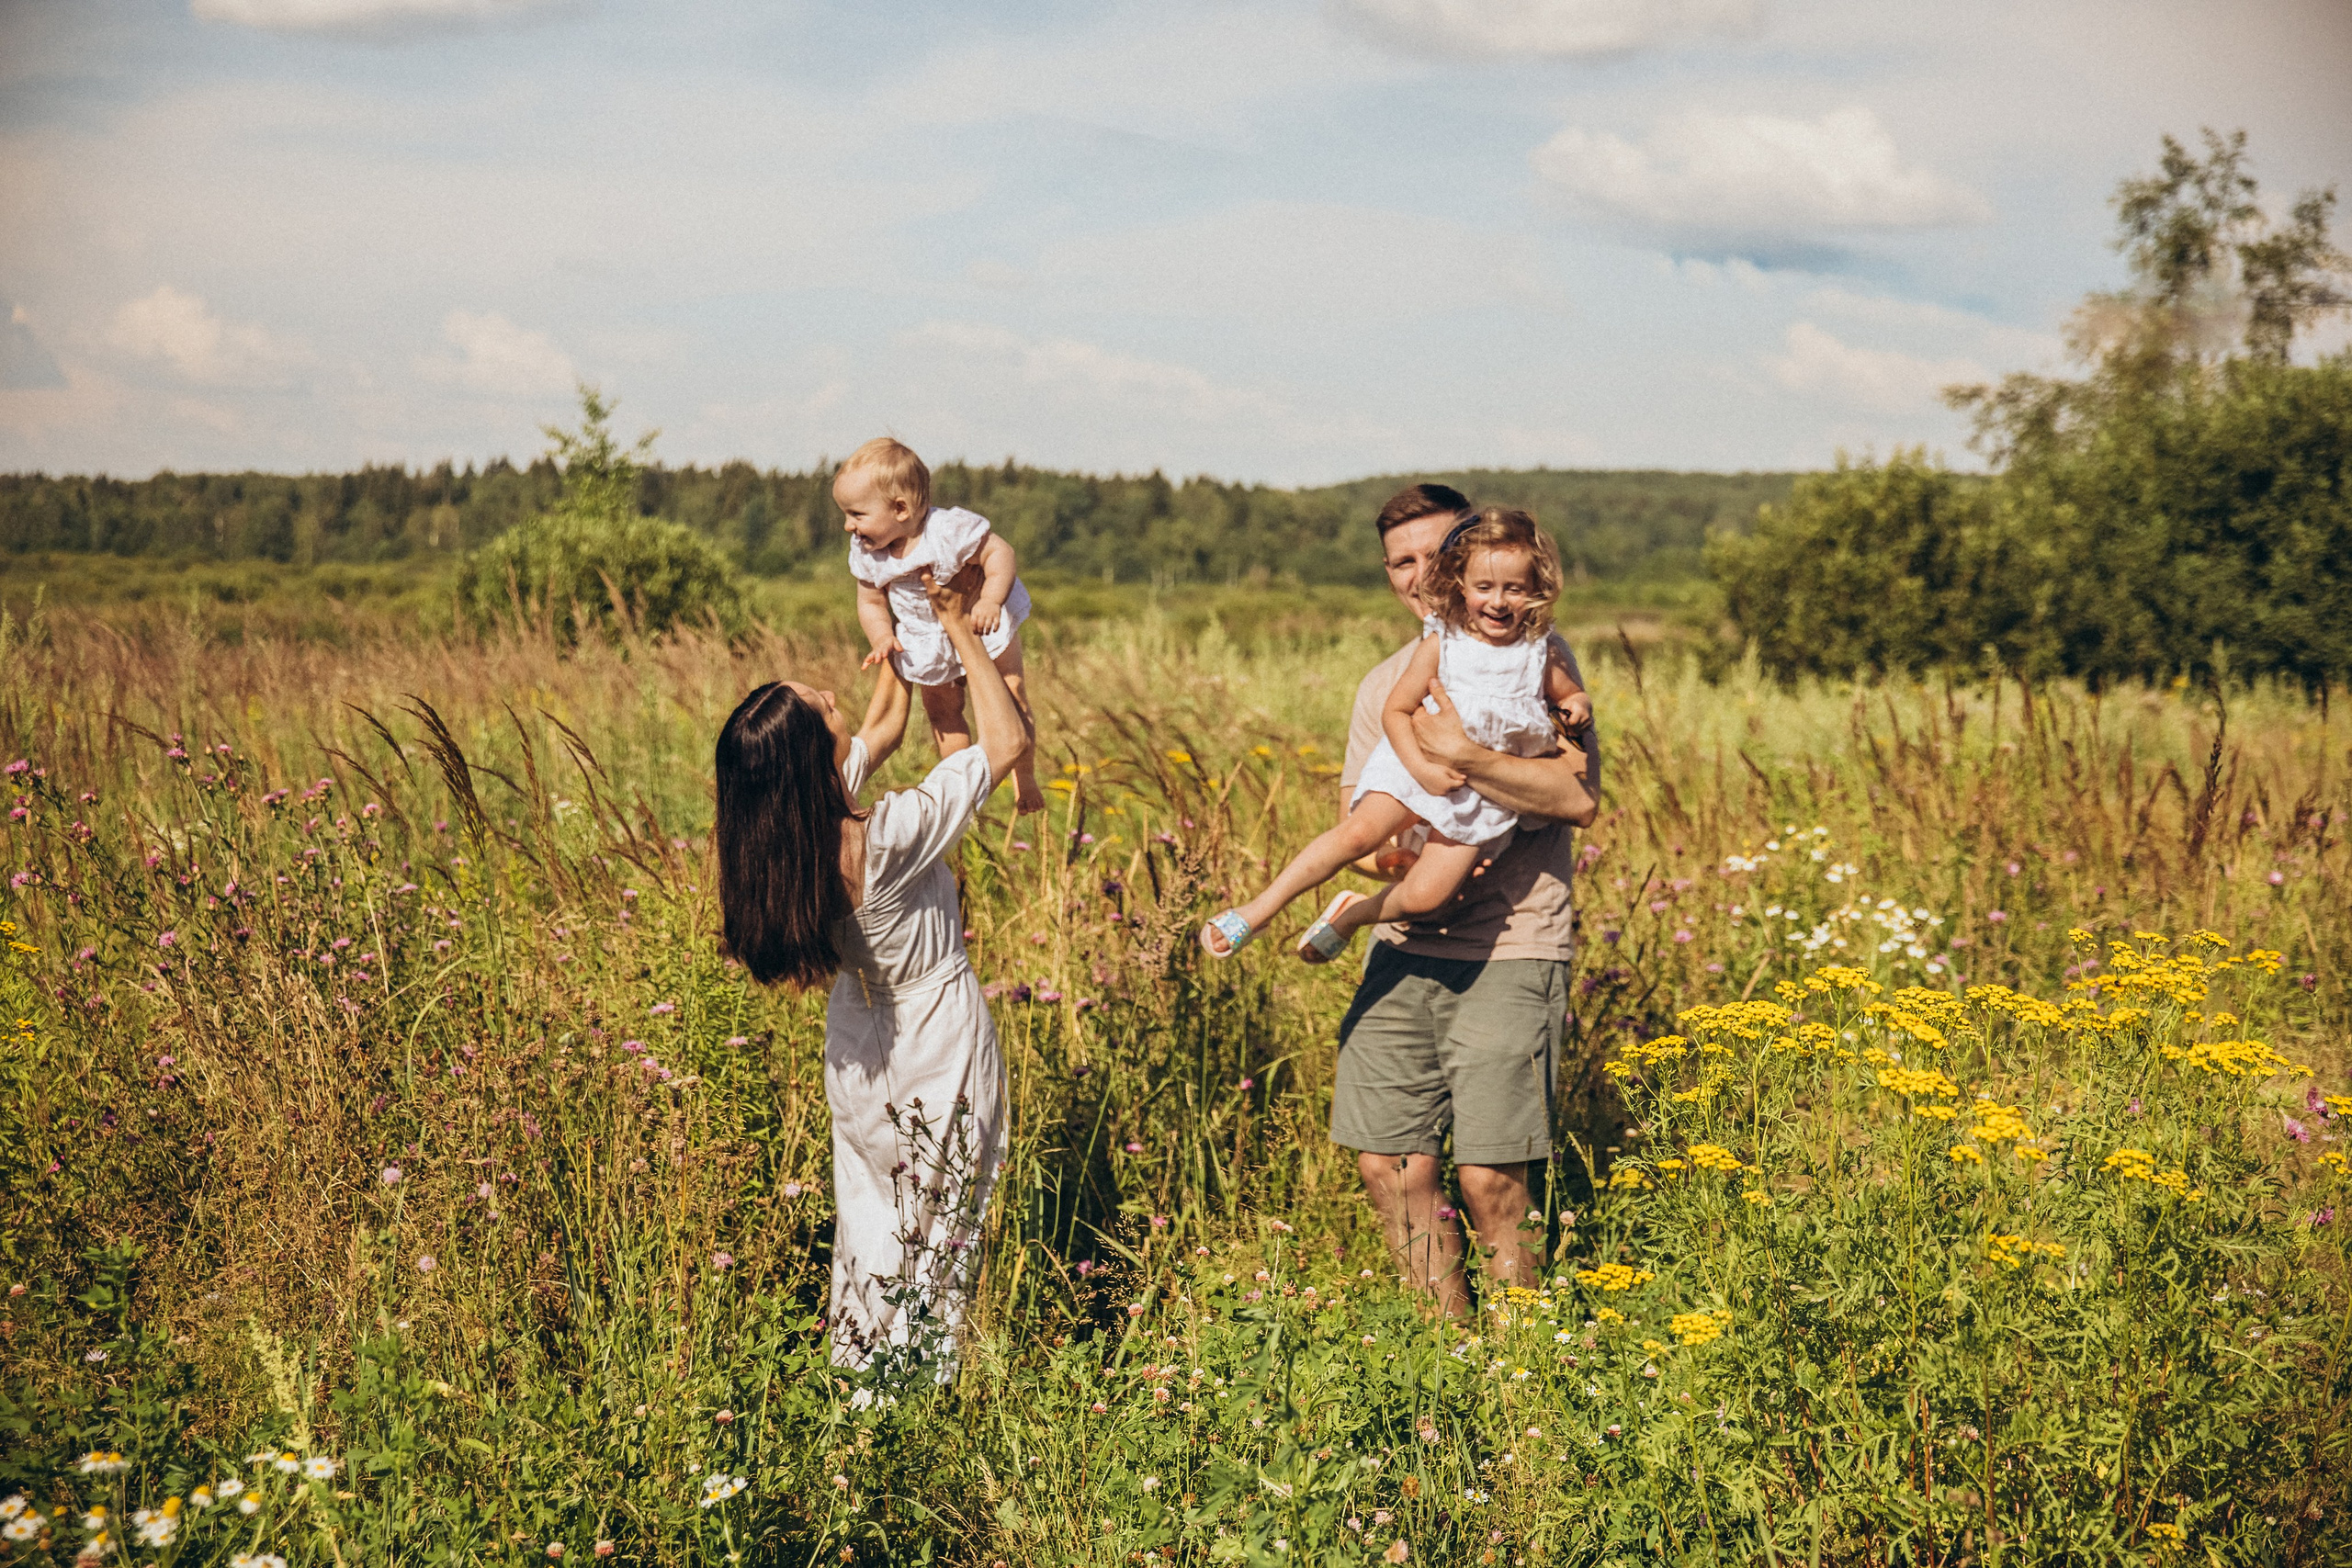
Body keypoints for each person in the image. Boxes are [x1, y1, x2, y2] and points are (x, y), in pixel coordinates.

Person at [712, 563, 1025, 1386]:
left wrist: (896, 647)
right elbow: (1006, 744)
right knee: (941, 1228)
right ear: (816, 753)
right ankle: (912, 1398)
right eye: (823, 705)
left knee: (871, 1217)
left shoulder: (783, 831)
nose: (833, 695)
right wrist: (955, 626)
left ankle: (857, 1381)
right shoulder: (884, 837)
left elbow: (881, 725)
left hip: (857, 1040)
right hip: (933, 1036)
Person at [1329, 484, 1600, 1317]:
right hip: (1404, 943)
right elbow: (1359, 827)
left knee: (1490, 1176)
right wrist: (1404, 859)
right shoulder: (1386, 684)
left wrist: (1466, 757)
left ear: (1475, 558)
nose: (1420, 575)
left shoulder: (1536, 658)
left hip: (1511, 945)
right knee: (1390, 1163)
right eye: (1400, 562)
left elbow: (1577, 797)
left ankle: (1523, 1364)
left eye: (1436, 554)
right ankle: (1446, 1353)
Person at [1198, 507, 1590, 964]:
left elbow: (1570, 694)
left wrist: (1578, 706)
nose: (1499, 602)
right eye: (1484, 587)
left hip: (1481, 795)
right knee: (1356, 836)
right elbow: (1396, 711)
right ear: (1461, 586)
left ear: (1537, 590)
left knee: (1426, 896)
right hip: (1415, 770)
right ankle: (1259, 910)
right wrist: (1422, 769)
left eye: (1514, 589)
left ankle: (1352, 915)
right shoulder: (1444, 643)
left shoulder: (1541, 652)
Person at [837, 436, 1046, 813]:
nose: (848, 525)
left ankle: (1025, 775)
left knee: (1011, 691)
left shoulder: (947, 531)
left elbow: (1000, 553)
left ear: (900, 509)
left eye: (856, 514)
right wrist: (882, 636)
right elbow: (870, 602)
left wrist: (990, 599)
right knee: (942, 713)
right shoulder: (868, 553)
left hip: (980, 619)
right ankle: (963, 792)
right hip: (924, 636)